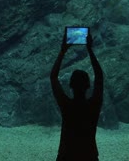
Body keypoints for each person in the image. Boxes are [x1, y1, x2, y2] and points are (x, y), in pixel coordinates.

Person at [50, 30, 104, 161]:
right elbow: (99, 77)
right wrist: (89, 49)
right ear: (88, 86)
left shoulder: (66, 105)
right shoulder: (93, 106)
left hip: (66, 156)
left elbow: (53, 77)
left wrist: (63, 50)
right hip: (89, 155)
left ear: (70, 85)